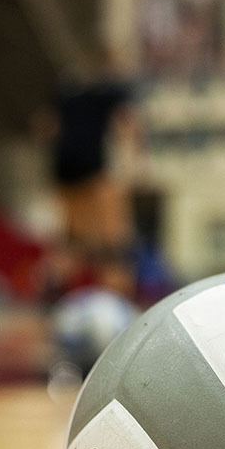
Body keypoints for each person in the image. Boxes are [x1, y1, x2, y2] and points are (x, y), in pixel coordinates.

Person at [37, 46, 142, 301]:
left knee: (71, 239)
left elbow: (45, 126)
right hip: (93, 169)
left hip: (63, 169)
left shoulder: (67, 90)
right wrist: (134, 163)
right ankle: (117, 298)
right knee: (113, 242)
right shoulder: (112, 89)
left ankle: (51, 290)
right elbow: (127, 123)